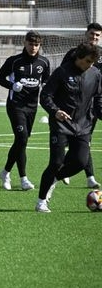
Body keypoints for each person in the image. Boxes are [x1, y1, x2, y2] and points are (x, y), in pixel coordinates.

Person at [36, 42, 102, 213]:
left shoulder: (95, 74)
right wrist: (55, 111)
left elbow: (98, 99)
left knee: (80, 162)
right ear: (79, 58)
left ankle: (55, 179)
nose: (90, 65)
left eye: (93, 62)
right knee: (56, 162)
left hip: (83, 126)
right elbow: (45, 95)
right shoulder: (62, 72)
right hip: (61, 124)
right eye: (88, 61)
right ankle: (41, 201)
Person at [0, 31, 50, 191]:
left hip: (32, 107)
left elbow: (46, 80)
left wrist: (46, 87)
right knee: (22, 137)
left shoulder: (44, 63)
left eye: (36, 45)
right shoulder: (14, 61)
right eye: (31, 44)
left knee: (22, 141)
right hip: (15, 105)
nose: (33, 47)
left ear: (40, 46)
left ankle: (5, 172)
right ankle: (23, 178)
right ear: (25, 43)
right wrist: (12, 85)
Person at [59, 22, 102, 189]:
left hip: (95, 105)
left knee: (85, 140)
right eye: (92, 34)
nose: (94, 37)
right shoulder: (73, 54)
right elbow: (61, 75)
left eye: (97, 35)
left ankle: (87, 176)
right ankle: (78, 173)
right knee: (79, 139)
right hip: (75, 105)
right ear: (86, 34)